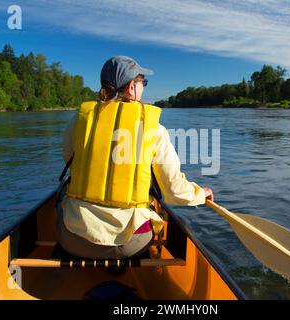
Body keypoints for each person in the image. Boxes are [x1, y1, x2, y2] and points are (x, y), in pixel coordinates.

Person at [57, 55, 213, 259]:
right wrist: (200, 193)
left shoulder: (79, 121)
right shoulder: (154, 130)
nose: (143, 88)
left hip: (72, 238)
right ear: (132, 87)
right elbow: (174, 191)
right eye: (143, 82)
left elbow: (69, 158)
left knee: (62, 194)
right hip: (129, 245)